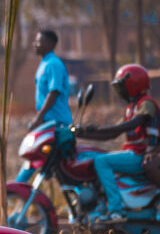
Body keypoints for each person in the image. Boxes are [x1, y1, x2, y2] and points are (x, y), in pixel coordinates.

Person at [75, 64, 160, 223]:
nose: (120, 91)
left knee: (101, 161)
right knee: (96, 155)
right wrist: (86, 133)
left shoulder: (146, 103)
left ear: (133, 84)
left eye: (122, 86)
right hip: (135, 153)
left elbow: (131, 124)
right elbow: (113, 132)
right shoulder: (131, 108)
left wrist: (97, 130)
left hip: (143, 154)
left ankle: (116, 209)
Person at [21, 29, 72, 181]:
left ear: (50, 44)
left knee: (35, 159)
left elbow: (54, 91)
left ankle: (16, 189)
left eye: (39, 41)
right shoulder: (45, 63)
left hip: (56, 124)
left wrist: (39, 117)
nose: (35, 44)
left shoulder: (53, 64)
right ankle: (19, 191)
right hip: (47, 123)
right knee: (44, 163)